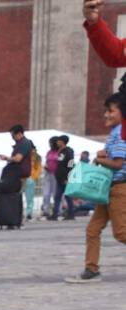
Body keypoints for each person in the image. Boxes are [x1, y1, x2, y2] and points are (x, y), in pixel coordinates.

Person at [64, 94, 126, 284]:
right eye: (105, 111)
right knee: (93, 229)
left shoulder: (121, 132)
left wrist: (100, 159)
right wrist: (103, 154)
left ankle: (91, 269)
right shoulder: (115, 133)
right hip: (108, 189)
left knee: (121, 232)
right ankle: (91, 269)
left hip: (118, 188)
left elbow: (118, 163)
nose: (106, 115)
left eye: (110, 111)